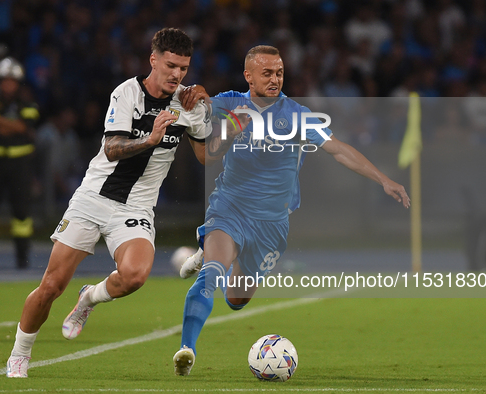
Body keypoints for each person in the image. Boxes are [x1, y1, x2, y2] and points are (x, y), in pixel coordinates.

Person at [172, 45, 410, 376]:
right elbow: (192, 102)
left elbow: (338, 150)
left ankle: (218, 255)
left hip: (271, 224)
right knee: (211, 272)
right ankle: (187, 349)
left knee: (237, 299)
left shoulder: (296, 115)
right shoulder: (229, 102)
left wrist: (383, 179)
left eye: (279, 72)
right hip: (230, 207)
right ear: (249, 76)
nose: (275, 79)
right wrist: (195, 93)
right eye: (267, 73)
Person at [6, 27, 210, 378]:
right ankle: (19, 355)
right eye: (171, 65)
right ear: (154, 60)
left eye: (184, 69)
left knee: (134, 276)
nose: (177, 75)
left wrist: (210, 109)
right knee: (52, 285)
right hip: (93, 198)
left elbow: (207, 157)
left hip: (136, 209)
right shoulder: (127, 93)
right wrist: (151, 139)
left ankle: (89, 298)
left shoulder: (188, 104)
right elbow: (113, 148)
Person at [0, 57, 39, 269]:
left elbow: (23, 127)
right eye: (4, 80)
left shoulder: (28, 103)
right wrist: (13, 125)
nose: (8, 85)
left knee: (21, 214)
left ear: (18, 82)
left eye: (12, 81)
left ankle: (22, 259)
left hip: (19, 165)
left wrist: (1, 122)